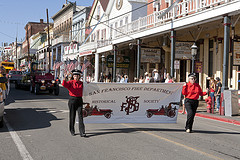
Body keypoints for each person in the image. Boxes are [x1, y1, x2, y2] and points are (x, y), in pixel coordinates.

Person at [62, 69, 86, 137]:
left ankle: (82, 132)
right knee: (72, 116)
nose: (76, 76)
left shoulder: (81, 83)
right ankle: (72, 130)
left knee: (80, 116)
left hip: (79, 100)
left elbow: (88, 87)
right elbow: (64, 84)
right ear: (73, 76)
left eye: (77, 75)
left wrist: (88, 83)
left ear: (79, 76)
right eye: (75, 75)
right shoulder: (70, 82)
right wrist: (65, 77)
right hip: (72, 100)